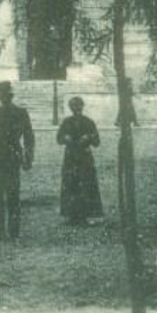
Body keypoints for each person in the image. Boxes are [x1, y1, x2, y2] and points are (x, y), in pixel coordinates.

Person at [0, 80, 35, 242]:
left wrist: (28, 156)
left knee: (12, 194)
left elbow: (29, 136)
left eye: (5, 94)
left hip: (10, 157)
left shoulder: (20, 113)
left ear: (10, 95)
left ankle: (13, 231)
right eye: (1, 94)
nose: (3, 97)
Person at [57, 96, 103, 226]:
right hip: (70, 158)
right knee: (70, 185)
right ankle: (71, 215)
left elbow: (97, 142)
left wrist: (89, 137)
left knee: (86, 184)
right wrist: (65, 137)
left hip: (84, 158)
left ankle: (86, 214)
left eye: (78, 106)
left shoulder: (89, 122)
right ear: (70, 108)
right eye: (73, 106)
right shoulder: (66, 122)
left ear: (82, 107)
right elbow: (59, 138)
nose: (76, 109)